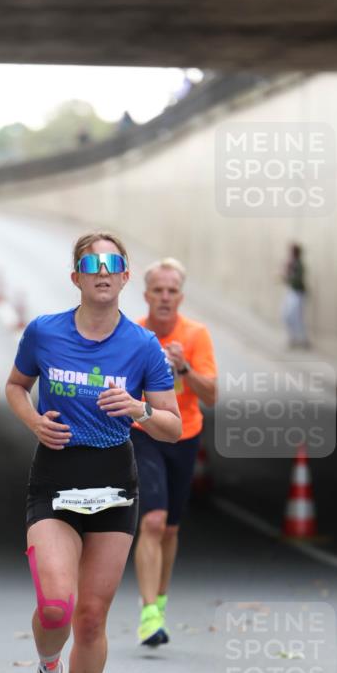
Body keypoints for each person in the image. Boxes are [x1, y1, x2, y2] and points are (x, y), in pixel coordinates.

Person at [5, 233, 181, 673]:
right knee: (56, 606)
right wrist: (34, 421)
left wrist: (138, 409)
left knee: (90, 618)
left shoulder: (142, 346)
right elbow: (15, 386)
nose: (102, 271)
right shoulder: (45, 331)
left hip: (113, 484)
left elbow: (172, 425)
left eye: (113, 263)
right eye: (92, 263)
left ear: (125, 276)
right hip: (56, 477)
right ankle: (47, 670)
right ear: (76, 276)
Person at [130, 258, 217, 646]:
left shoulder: (196, 335)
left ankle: (159, 602)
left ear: (180, 297)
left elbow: (211, 396)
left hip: (184, 434)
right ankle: (148, 614)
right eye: (158, 290)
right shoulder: (133, 334)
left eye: (172, 291)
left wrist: (184, 370)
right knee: (153, 520)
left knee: (170, 528)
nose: (165, 297)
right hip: (144, 431)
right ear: (146, 295)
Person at [281, 244, 309, 348]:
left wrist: (288, 272)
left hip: (297, 293)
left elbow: (295, 279)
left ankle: (303, 340)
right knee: (286, 316)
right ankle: (293, 338)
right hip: (291, 292)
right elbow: (287, 279)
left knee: (297, 317)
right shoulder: (292, 264)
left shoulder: (299, 265)